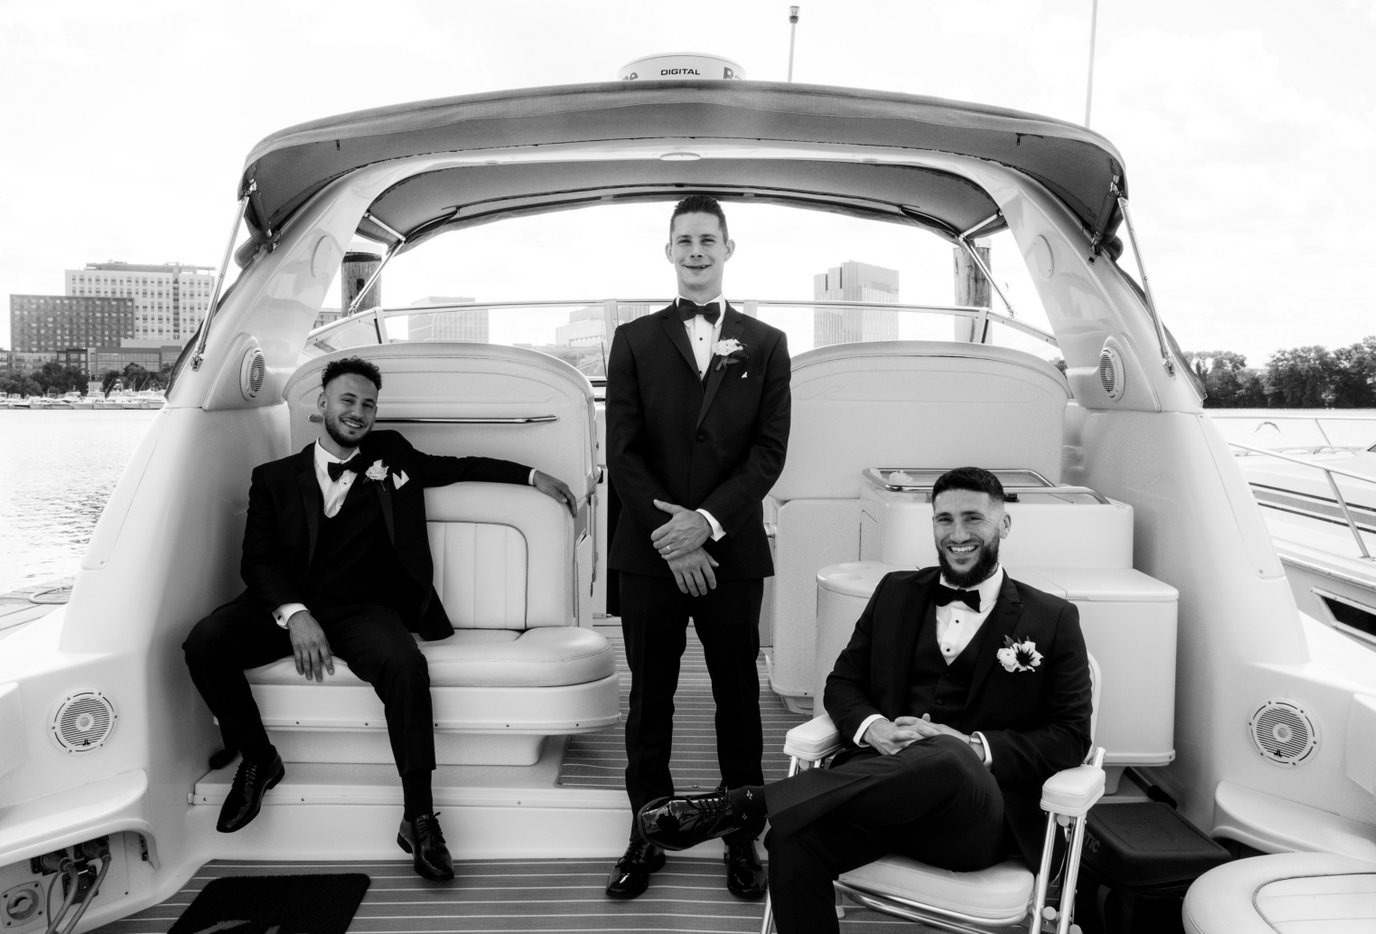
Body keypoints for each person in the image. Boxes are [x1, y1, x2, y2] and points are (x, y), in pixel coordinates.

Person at [635, 466, 1092, 933]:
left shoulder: (1052, 618)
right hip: (878, 805)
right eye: (944, 520)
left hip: (973, 822)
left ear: (1004, 525)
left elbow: (1071, 736)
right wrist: (874, 727)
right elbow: (842, 683)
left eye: (973, 519)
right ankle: (760, 810)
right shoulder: (895, 592)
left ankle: (747, 804)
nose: (957, 534)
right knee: (792, 844)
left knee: (949, 756)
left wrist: (973, 746)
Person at [183, 356, 575, 882]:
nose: (359, 412)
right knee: (204, 642)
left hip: (363, 609)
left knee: (405, 666)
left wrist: (533, 475)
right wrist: (295, 615)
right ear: (322, 405)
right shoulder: (272, 478)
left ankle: (419, 815)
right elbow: (257, 560)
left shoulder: (391, 456)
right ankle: (258, 758)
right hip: (288, 605)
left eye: (368, 404)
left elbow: (458, 466)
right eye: (348, 400)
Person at [603, 195, 792, 900]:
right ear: (669, 250)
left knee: (738, 698)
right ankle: (644, 832)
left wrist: (706, 524)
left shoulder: (767, 343)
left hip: (732, 552)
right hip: (649, 553)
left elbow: (768, 454)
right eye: (684, 240)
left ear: (728, 249)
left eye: (708, 240)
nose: (696, 252)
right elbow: (620, 451)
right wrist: (673, 540)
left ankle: (743, 837)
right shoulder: (631, 339)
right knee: (648, 701)